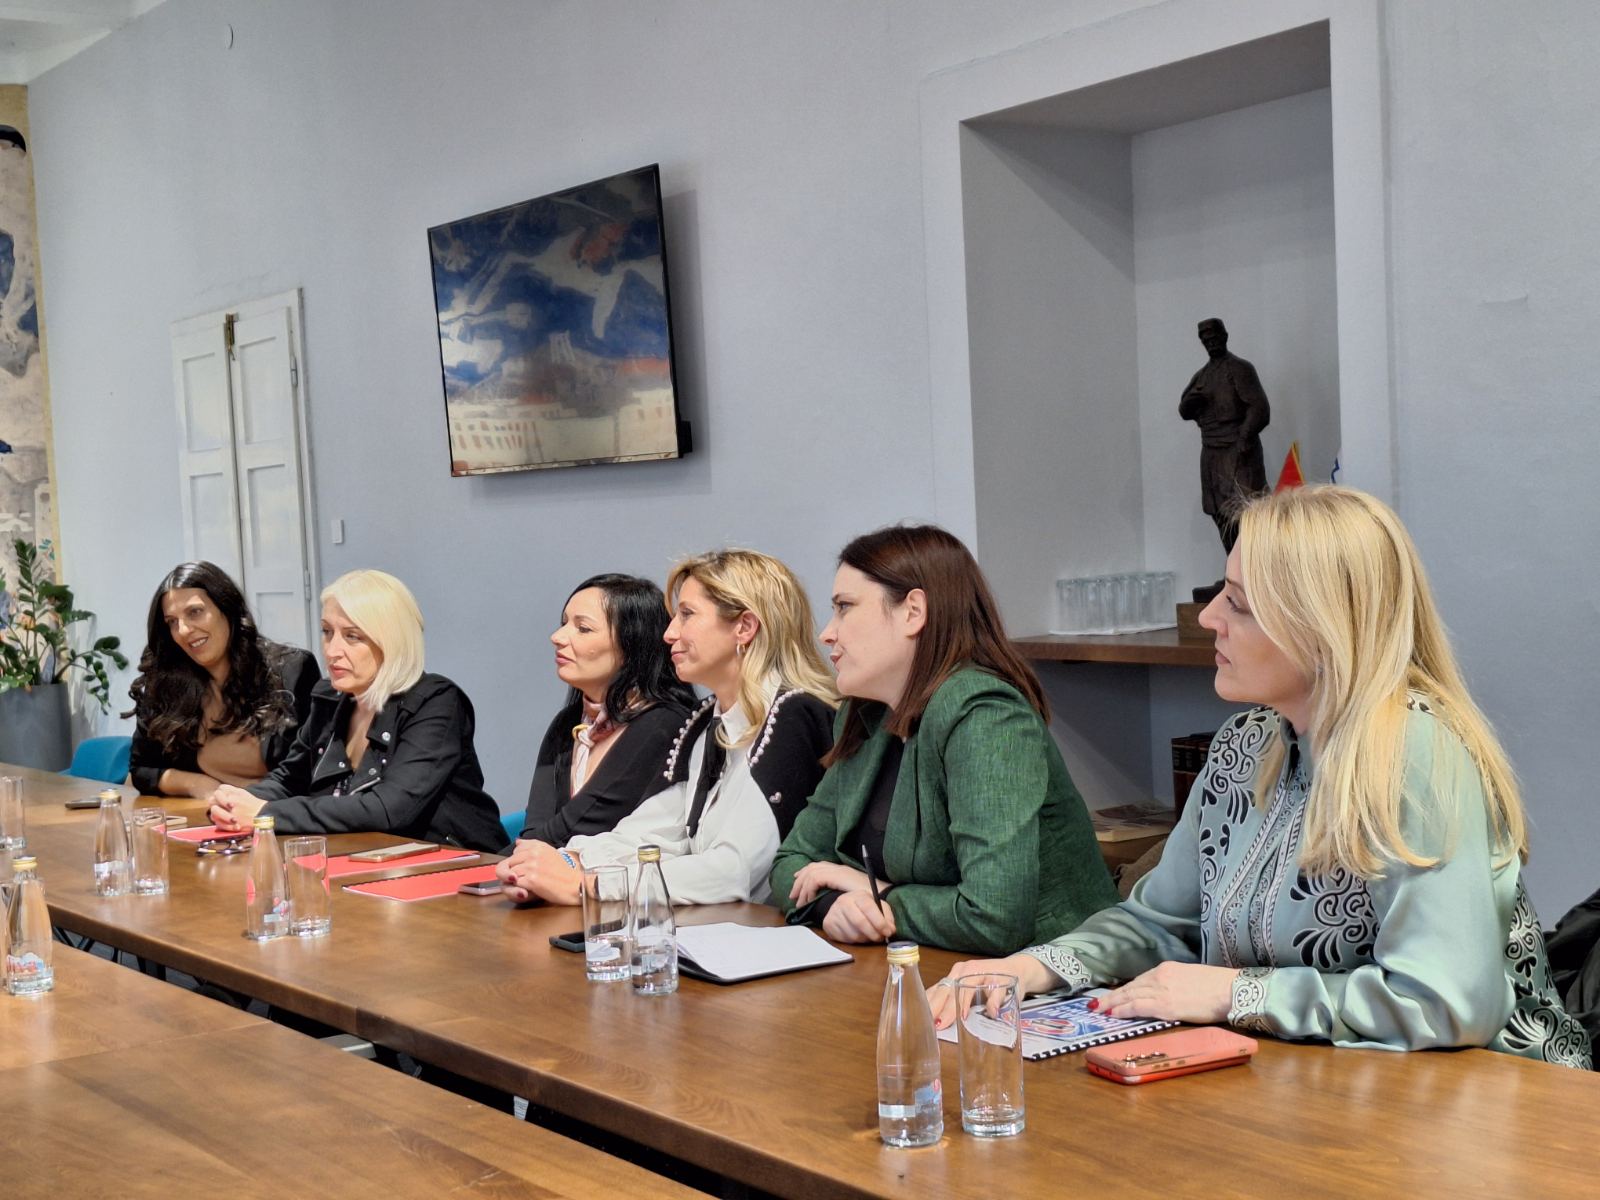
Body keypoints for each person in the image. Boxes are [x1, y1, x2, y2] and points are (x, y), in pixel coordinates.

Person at [929, 487, 1591, 1068]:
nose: (1209, 618)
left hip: (1495, 1109)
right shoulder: (1246, 745)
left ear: (1322, 628)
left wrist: (1234, 993)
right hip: (1316, 1090)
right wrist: (1030, 967)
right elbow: (1161, 924)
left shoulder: (1415, 753)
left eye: (1239, 604)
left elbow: (1446, 1001)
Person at [769, 525, 1117, 956]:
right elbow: (791, 863)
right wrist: (833, 906)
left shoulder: (986, 716)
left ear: (913, 612)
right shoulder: (866, 715)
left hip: (1057, 977)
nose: (827, 633)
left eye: (845, 608)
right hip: (931, 966)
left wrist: (878, 895)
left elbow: (994, 917)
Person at [497, 549, 837, 905]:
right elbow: (653, 832)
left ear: (744, 627)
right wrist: (562, 863)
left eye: (686, 615)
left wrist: (589, 885)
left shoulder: (793, 714)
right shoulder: (708, 720)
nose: (669, 633)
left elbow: (734, 870)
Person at [208, 570, 504, 853]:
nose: (332, 650)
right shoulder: (330, 697)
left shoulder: (436, 702)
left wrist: (265, 814)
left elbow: (388, 809)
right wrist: (236, 802)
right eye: (327, 632)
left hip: (459, 865)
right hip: (366, 861)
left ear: (391, 641)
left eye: (352, 636)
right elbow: (289, 780)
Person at [514, 573, 695, 847]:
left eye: (583, 628)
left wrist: (517, 858)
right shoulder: (567, 722)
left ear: (632, 644)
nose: (557, 637)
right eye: (564, 624)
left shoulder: (664, 724)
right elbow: (534, 831)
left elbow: (579, 829)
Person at [126, 562, 320, 799]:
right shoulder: (166, 682)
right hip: (206, 815)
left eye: (195, 612)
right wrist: (196, 784)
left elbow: (309, 770)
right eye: (172, 622)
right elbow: (141, 770)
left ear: (227, 608)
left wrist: (241, 802)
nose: (183, 630)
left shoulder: (292, 670)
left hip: (274, 813)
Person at [1179, 316, 1270, 559]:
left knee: (1246, 509)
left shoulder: (1240, 369)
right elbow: (1184, 410)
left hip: (1238, 448)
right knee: (1218, 511)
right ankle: (1234, 565)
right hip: (1211, 450)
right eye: (1206, 340)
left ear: (1225, 336)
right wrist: (1192, 402)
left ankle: (1252, 567)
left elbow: (1260, 408)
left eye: (1215, 337)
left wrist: (1244, 438)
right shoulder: (1202, 376)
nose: (1211, 343)